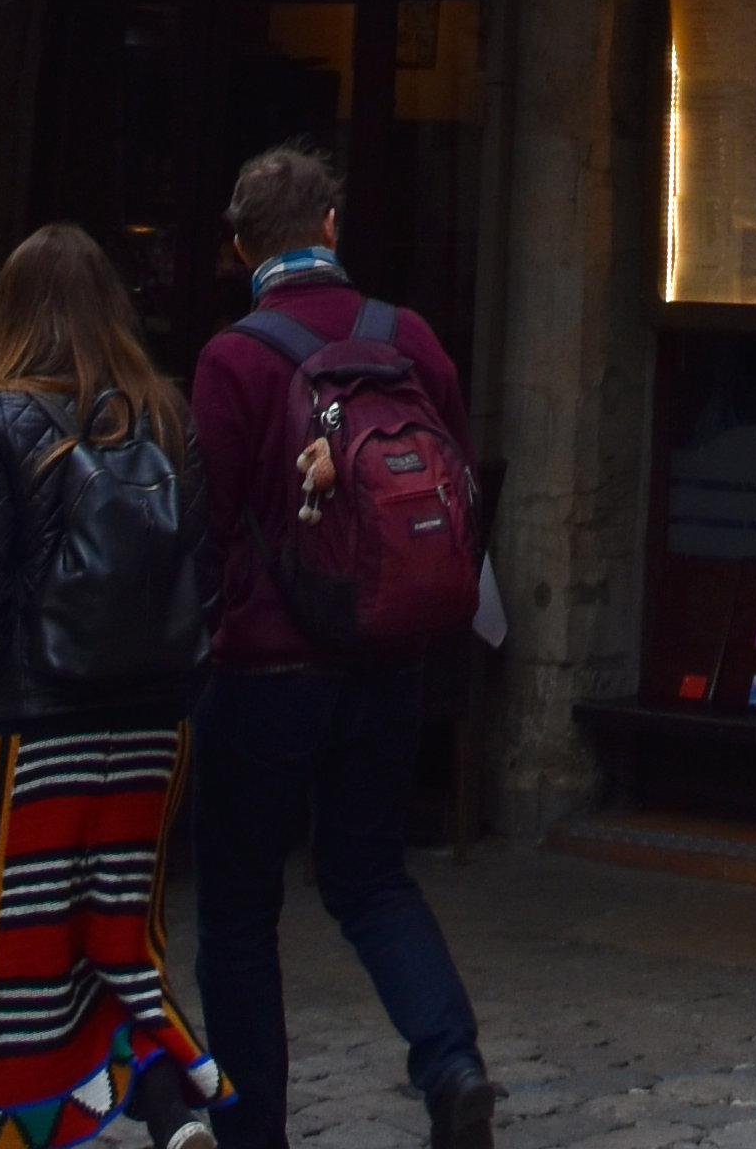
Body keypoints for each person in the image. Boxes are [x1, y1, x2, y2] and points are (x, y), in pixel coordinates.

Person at [189, 141, 495, 1149]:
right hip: (384, 655)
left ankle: (253, 1133)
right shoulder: (407, 338)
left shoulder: (233, 358)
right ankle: (450, 1063)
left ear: (242, 250)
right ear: (331, 229)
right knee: (369, 876)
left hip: (267, 667)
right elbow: (454, 476)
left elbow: (213, 517)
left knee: (238, 911)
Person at [0, 224, 223, 1149]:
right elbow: (201, 565)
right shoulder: (169, 413)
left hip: (35, 724)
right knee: (120, 936)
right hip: (151, 726)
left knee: (19, 957)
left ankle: (8, 1134)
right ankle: (168, 1105)